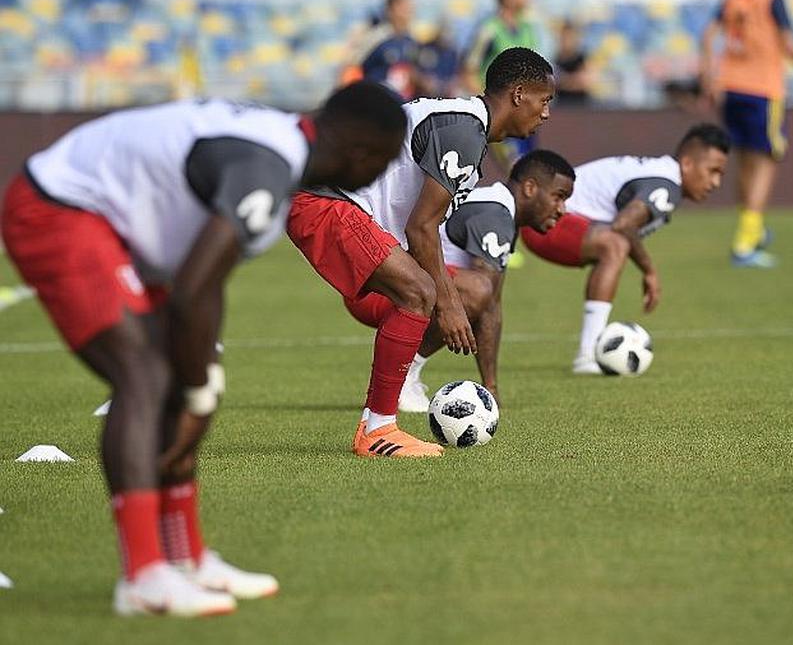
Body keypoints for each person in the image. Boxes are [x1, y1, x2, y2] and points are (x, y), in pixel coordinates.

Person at [0, 83, 406, 617]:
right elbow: (191, 291)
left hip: (114, 222)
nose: (380, 176)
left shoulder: (281, 155)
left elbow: (205, 284)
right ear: (360, 151)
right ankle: (144, 577)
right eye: (384, 162)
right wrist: (195, 391)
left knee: (188, 377)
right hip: (59, 207)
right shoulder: (268, 167)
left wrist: (201, 381)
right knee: (145, 377)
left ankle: (187, 559)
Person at [287, 47, 555, 457]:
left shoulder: (466, 130)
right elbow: (421, 228)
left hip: (334, 204)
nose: (546, 113)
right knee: (420, 292)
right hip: (326, 202)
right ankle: (378, 429)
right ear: (519, 94)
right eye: (544, 100)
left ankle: (381, 418)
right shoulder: (464, 130)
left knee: (418, 292)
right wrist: (449, 304)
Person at [343, 149, 576, 412]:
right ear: (530, 188)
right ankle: (404, 375)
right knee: (477, 289)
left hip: (392, 286)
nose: (562, 209)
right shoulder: (494, 214)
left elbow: (491, 306)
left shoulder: (499, 210)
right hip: (379, 291)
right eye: (558, 197)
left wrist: (491, 389)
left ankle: (404, 374)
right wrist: (491, 388)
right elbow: (484, 297)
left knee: (480, 290)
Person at [520, 124, 730, 374]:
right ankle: (588, 355)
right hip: (545, 223)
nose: (716, 182)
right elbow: (623, 225)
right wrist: (649, 271)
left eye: (720, 174)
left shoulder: (660, 175)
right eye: (712, 171)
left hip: (548, 222)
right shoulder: (666, 185)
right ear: (687, 163)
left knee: (614, 244)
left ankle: (591, 350)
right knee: (615, 243)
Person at [700, 0, 793, 268]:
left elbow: (708, 35)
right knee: (766, 162)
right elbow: (788, 43)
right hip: (763, 90)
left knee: (744, 162)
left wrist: (709, 75)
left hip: (730, 88)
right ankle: (745, 243)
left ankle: (753, 229)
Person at [462, 0, 540, 172]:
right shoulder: (489, 29)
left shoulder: (527, 28)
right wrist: (490, 105)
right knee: (515, 168)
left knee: (528, 167)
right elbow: (468, 70)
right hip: (501, 111)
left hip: (524, 111)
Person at [347, 0, 432, 100]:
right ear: (390, 9)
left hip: (401, 103)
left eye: (410, 7)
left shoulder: (411, 41)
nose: (409, 11)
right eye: (403, 7)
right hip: (375, 100)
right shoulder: (377, 37)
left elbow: (412, 72)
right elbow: (352, 67)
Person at [554, 20, 593, 106]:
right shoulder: (556, 59)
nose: (566, 41)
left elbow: (585, 82)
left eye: (569, 37)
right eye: (563, 37)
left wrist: (564, 81)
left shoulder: (582, 58)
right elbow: (552, 83)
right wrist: (572, 80)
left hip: (580, 106)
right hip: (561, 106)